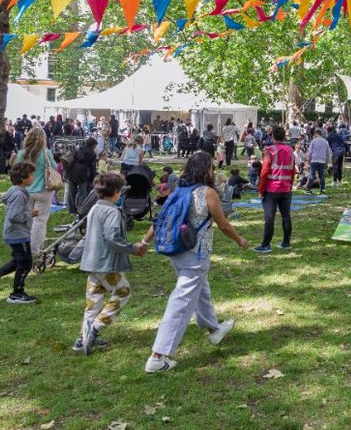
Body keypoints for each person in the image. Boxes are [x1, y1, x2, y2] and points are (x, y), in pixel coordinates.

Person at [141, 152, 251, 373]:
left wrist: (145, 241)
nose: (213, 171)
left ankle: (214, 329)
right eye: (211, 167)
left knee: (201, 290)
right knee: (181, 302)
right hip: (196, 254)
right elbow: (224, 224)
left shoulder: (177, 190)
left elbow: (160, 219)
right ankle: (158, 356)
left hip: (177, 251)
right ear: (205, 170)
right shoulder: (208, 193)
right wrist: (240, 240)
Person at [75, 173, 148, 354]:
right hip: (106, 263)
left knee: (94, 301)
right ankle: (95, 327)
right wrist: (132, 248)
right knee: (123, 291)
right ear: (116, 192)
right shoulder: (112, 212)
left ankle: (82, 340)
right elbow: (113, 237)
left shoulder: (95, 208)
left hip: (91, 262)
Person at [0, 162, 38, 304]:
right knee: (26, 263)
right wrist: (30, 214)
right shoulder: (18, 195)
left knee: (17, 262)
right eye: (31, 175)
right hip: (18, 234)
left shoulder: (17, 191)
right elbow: (13, 216)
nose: (33, 178)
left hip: (15, 234)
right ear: (22, 178)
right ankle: (17, 293)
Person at [13, 127, 57, 255]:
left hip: (25, 190)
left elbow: (15, 169)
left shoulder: (22, 154)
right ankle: (35, 249)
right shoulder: (46, 153)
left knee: (26, 219)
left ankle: (23, 246)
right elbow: (54, 168)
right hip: (43, 190)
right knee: (40, 221)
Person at [254, 126, 296, 254]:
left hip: (271, 189)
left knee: (269, 218)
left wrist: (261, 189)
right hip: (286, 188)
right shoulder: (290, 150)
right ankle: (286, 242)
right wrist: (290, 184)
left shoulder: (269, 150)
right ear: (284, 137)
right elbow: (293, 170)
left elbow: (264, 172)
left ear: (272, 137)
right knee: (286, 215)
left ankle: (266, 245)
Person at [67, 137, 98, 217]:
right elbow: (93, 168)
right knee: (82, 193)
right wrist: (93, 179)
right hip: (82, 173)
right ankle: (81, 210)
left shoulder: (79, 149)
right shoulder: (92, 153)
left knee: (71, 192)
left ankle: (72, 210)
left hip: (71, 171)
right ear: (93, 145)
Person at [306, 129, 329, 195]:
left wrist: (309, 160)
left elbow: (310, 152)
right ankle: (322, 189)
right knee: (321, 175)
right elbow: (327, 153)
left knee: (311, 174)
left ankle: (309, 189)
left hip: (314, 160)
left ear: (316, 134)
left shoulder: (313, 141)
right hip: (322, 160)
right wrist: (327, 161)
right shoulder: (326, 142)